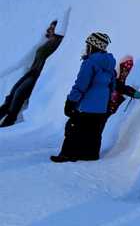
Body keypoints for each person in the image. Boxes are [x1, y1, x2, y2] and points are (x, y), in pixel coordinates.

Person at [50, 32, 116, 163]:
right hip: (101, 108)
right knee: (94, 132)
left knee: (73, 128)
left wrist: (70, 101)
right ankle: (90, 154)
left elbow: (81, 84)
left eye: (88, 45)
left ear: (92, 46)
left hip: (86, 106)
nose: (86, 47)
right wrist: (106, 103)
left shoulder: (90, 62)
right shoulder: (110, 64)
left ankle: (67, 154)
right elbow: (112, 86)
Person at [0, 20, 64, 127]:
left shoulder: (57, 42)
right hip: (31, 72)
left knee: (18, 96)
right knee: (11, 95)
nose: (50, 29)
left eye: (52, 28)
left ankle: (6, 125)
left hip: (37, 76)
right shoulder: (48, 42)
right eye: (50, 27)